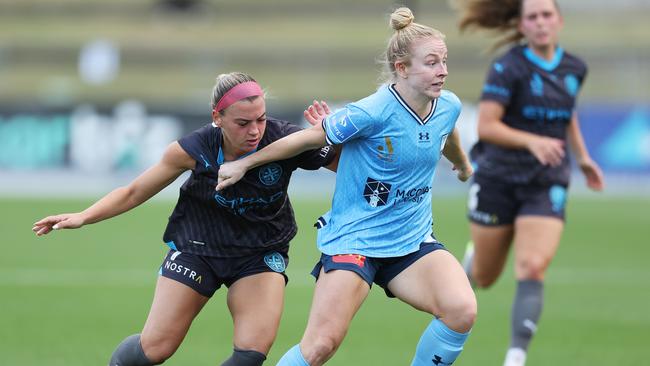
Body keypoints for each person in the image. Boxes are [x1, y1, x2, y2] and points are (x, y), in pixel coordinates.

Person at [216, 8, 477, 366]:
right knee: (321, 345)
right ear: (401, 69)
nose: (443, 70)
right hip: (356, 240)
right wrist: (244, 163)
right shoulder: (371, 112)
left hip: (411, 241)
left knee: (461, 310)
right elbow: (306, 140)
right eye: (431, 63)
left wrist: (462, 165)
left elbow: (446, 132)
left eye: (444, 61)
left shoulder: (447, 105)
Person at [32, 72, 337, 366]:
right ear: (217, 118)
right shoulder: (194, 147)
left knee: (251, 353)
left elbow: (346, 166)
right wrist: (83, 216)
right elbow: (133, 191)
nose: (255, 130)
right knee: (155, 349)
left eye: (261, 118)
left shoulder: (284, 138)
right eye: (243, 123)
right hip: (197, 248)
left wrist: (331, 136)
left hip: (259, 253)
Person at [454, 1, 605, 365]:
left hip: (546, 180)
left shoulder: (574, 68)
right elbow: (488, 126)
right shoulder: (509, 67)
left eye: (546, 15)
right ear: (521, 26)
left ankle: (516, 356)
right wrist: (531, 141)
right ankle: (474, 260)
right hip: (499, 178)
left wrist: (582, 157)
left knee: (533, 266)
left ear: (559, 21)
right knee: (486, 278)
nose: (541, 23)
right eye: (533, 17)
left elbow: (566, 113)